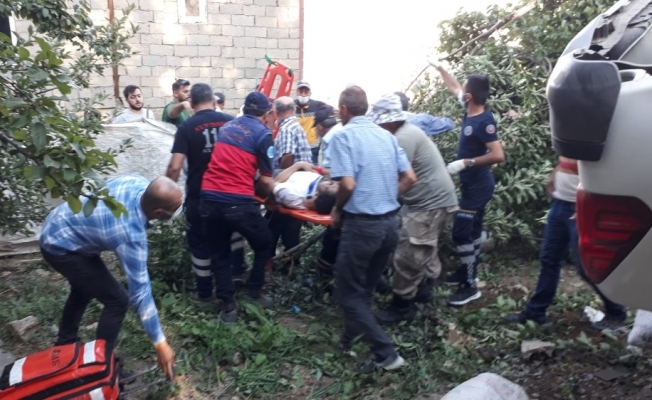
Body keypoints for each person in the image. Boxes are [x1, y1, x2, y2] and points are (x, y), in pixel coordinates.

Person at [39, 174, 180, 380]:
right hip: (59, 246)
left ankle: (65, 343)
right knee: (118, 301)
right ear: (158, 212)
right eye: (175, 210)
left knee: (84, 286)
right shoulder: (130, 234)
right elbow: (140, 293)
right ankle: (101, 368)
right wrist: (160, 343)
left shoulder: (137, 182)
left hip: (59, 223)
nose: (177, 212)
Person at [329, 85, 416, 372]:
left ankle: (386, 353)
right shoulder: (386, 136)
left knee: (347, 294)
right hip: (390, 224)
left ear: (344, 110)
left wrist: (337, 208)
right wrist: (387, 198)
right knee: (365, 288)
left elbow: (347, 184)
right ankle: (349, 339)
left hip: (362, 226)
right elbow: (410, 177)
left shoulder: (343, 137)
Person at [502, 157, 627, 330]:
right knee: (549, 259)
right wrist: (555, 173)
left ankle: (616, 312)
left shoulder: (597, 141)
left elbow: (607, 171)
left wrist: (588, 204)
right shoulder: (573, 139)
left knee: (586, 267)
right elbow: (566, 156)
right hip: (559, 205)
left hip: (581, 207)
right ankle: (535, 312)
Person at [367, 94, 459, 325]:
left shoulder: (402, 138)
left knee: (409, 256)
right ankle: (423, 294)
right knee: (420, 249)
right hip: (428, 201)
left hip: (430, 204)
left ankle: (402, 307)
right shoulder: (404, 132)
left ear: (388, 121)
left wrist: (379, 201)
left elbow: (397, 178)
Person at [431, 60, 505, 306]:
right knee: (472, 231)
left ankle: (470, 286)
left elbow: (498, 155)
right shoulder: (469, 108)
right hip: (471, 185)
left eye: (465, 88)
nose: (460, 90)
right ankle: (466, 271)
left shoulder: (483, 122)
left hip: (478, 187)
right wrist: (441, 68)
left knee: (461, 231)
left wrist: (466, 162)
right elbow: (454, 87)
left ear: (470, 96)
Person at [166, 83, 248, 301]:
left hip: (200, 198)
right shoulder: (233, 122)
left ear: (191, 104)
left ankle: (204, 292)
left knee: (199, 243)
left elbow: (174, 168)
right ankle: (236, 276)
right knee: (233, 235)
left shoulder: (186, 128)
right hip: (232, 195)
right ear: (213, 101)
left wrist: (165, 193)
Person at [200, 91, 276, 323]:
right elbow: (266, 182)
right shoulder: (263, 134)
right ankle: (254, 291)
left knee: (220, 252)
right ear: (266, 114)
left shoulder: (228, 127)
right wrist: (268, 196)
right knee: (265, 243)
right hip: (238, 202)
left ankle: (228, 307)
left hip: (209, 198)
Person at [271, 161, 338, 213]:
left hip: (276, 176)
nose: (333, 182)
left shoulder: (293, 195)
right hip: (291, 173)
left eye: (330, 184)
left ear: (316, 195)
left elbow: (272, 185)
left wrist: (299, 165)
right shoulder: (321, 190)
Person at [272, 96, 312, 171]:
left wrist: (283, 174)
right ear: (294, 109)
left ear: (276, 112)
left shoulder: (286, 129)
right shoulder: (295, 125)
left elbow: (288, 155)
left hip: (293, 176)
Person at [294, 81, 326, 164]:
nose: (303, 95)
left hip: (312, 147)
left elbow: (330, 110)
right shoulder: (291, 106)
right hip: (296, 148)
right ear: (296, 92)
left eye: (306, 92)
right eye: (301, 91)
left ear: (310, 93)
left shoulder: (317, 105)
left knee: (311, 170)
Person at [314, 104, 344, 176]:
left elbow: (339, 173)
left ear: (319, 127)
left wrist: (316, 169)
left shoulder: (334, 140)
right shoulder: (341, 132)